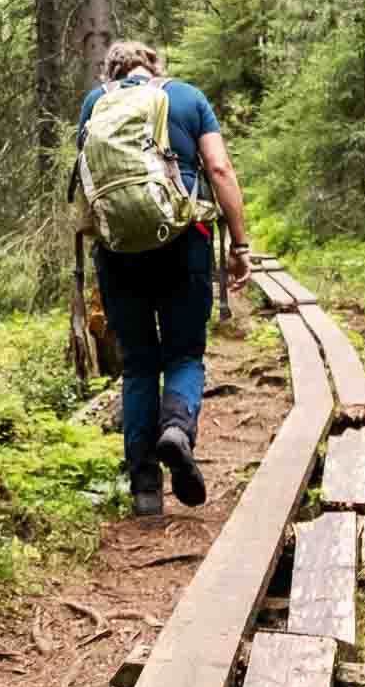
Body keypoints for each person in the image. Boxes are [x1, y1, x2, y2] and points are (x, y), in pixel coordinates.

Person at [78, 40, 252, 516]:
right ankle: (176, 428)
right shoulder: (189, 97)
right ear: (154, 66)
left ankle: (145, 489)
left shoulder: (96, 104)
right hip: (184, 241)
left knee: (138, 364)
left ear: (110, 73)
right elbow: (218, 167)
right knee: (184, 352)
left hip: (118, 252)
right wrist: (240, 246)